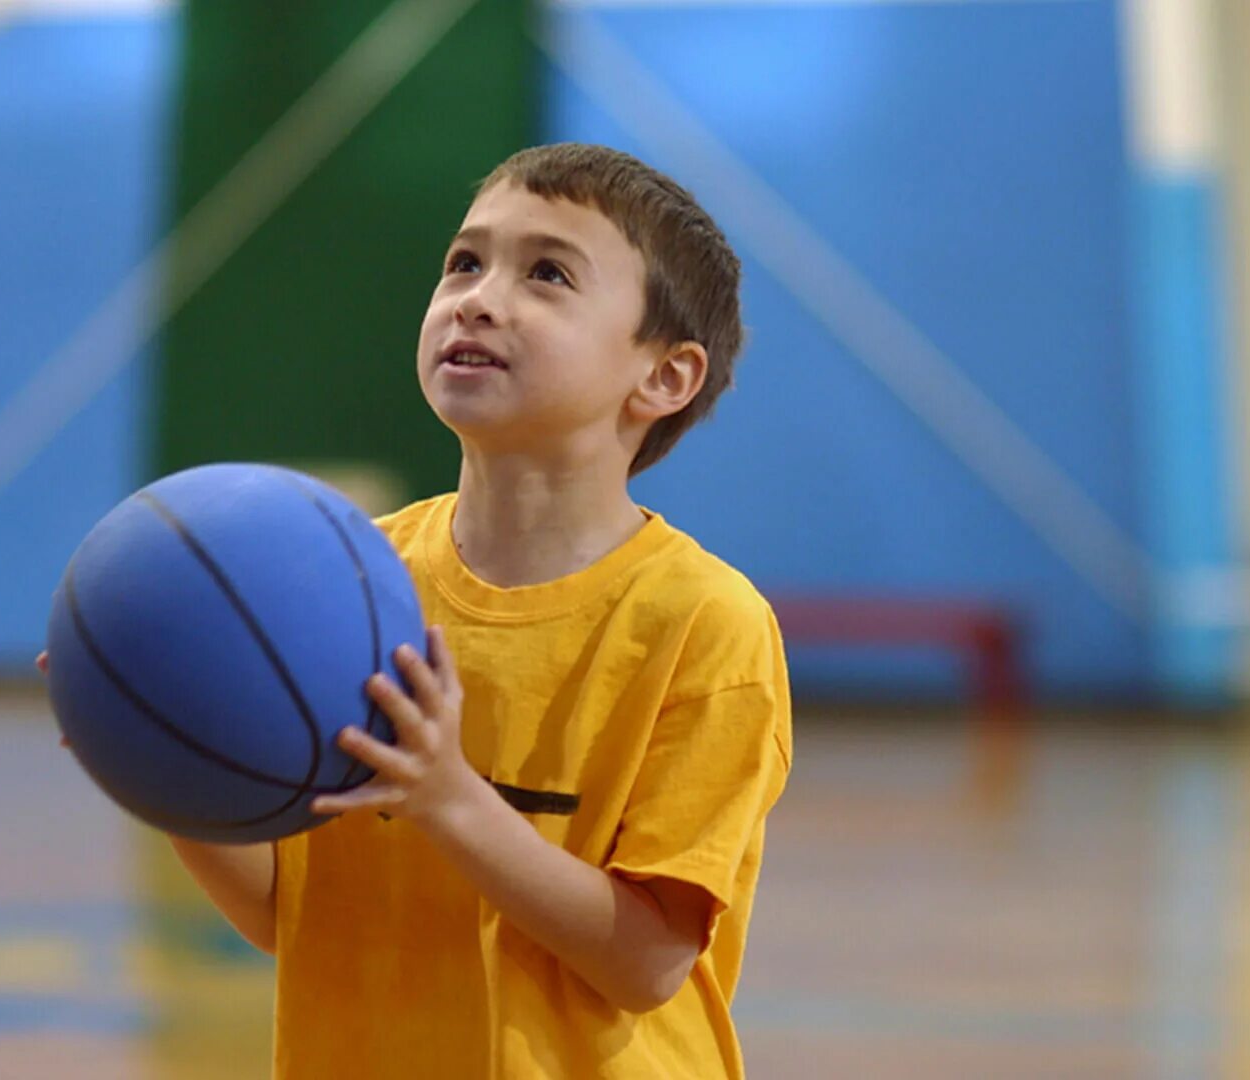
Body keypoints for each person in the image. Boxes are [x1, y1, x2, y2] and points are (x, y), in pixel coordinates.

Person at [175, 142, 791, 1077]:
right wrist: (167, 759)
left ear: (663, 377)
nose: (479, 296)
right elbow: (286, 914)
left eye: (547, 274)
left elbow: (646, 960)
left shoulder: (704, 625)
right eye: (465, 261)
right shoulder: (351, 576)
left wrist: (450, 799)